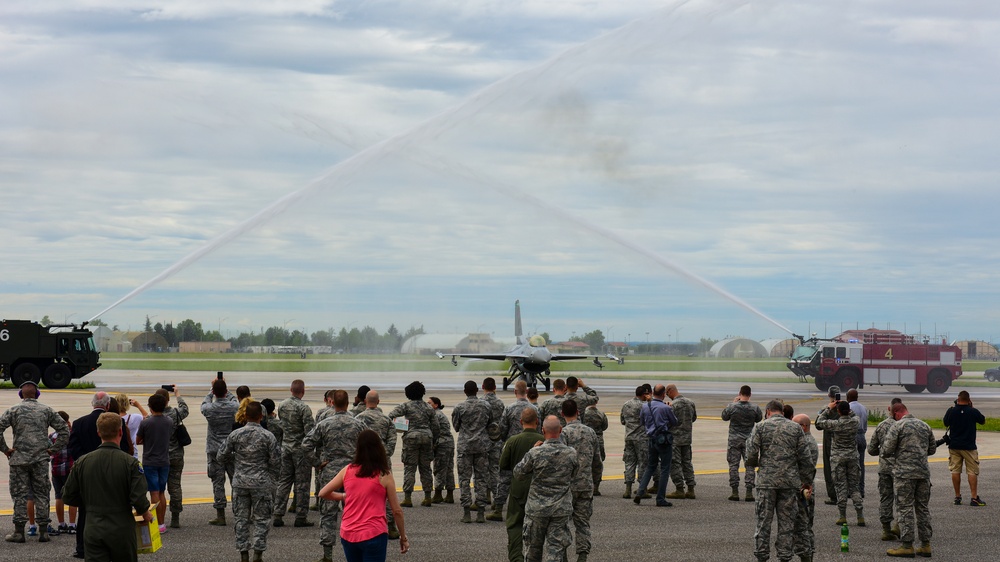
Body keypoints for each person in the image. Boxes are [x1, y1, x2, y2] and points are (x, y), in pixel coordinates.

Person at [62, 412, 152, 562]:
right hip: (121, 527)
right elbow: (138, 497)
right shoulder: (130, 463)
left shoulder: (82, 462)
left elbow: (68, 495)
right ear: (120, 432)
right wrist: (145, 512)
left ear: (99, 433)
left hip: (93, 526)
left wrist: (89, 501)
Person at [320, 429, 409, 561]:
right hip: (373, 533)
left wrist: (344, 496)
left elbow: (323, 493)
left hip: (349, 533)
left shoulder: (348, 470)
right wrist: (403, 537)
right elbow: (396, 511)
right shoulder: (384, 474)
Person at [0, 380, 70, 543]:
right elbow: (64, 431)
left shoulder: (13, 410)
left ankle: (19, 532)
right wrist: (53, 449)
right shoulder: (46, 410)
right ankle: (44, 531)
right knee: (42, 494)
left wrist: (5, 449)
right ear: (37, 394)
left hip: (19, 461)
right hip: (40, 460)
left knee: (19, 495)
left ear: (21, 394)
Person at [745, 399, 814, 562]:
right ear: (782, 412)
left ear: (768, 411)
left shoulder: (760, 427)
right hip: (789, 483)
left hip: (766, 483)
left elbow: (750, 455)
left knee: (763, 524)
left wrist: (756, 464)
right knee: (786, 526)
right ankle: (784, 557)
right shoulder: (795, 428)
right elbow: (806, 459)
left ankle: (762, 557)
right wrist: (806, 482)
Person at [304, 389, 366, 562]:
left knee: (328, 514)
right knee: (355, 513)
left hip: (331, 472)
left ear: (332, 403)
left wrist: (317, 462)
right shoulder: (358, 423)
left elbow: (306, 444)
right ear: (347, 404)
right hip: (353, 472)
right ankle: (356, 550)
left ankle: (327, 555)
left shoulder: (324, 423)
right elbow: (369, 444)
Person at [68, 391, 130, 558]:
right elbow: (124, 449)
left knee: (85, 511)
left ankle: (82, 548)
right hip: (113, 471)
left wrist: (88, 462)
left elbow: (73, 449)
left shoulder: (79, 423)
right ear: (108, 405)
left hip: (87, 473)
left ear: (92, 403)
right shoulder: (118, 422)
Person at [217, 401, 281, 562]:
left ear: (245, 416)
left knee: (241, 520)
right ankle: (258, 554)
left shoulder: (236, 434)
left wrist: (238, 460)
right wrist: (271, 480)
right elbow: (276, 462)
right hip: (261, 482)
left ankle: (243, 554)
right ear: (261, 416)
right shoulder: (268, 436)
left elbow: (221, 456)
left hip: (240, 482)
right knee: (261, 520)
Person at [513, 415, 579, 562]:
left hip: (537, 509)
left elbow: (518, 474)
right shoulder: (571, 453)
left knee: (532, 551)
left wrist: (531, 451)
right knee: (555, 551)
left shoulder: (535, 453)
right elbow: (574, 475)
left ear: (543, 430)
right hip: (560, 509)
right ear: (561, 430)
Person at [881, 402, 937, 558]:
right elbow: (932, 449)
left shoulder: (898, 427)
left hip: (904, 474)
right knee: (922, 508)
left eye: (893, 415)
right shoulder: (925, 426)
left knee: (905, 508)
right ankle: (925, 545)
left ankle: (907, 545)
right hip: (923, 474)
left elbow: (886, 450)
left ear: (897, 413)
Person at [560, 399, 601, 562]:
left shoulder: (563, 433)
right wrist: (595, 481)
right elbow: (597, 461)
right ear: (578, 412)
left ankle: (562, 555)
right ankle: (582, 555)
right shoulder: (590, 432)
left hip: (567, 486)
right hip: (585, 484)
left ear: (562, 414)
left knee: (562, 522)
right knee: (582, 523)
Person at [499, 407, 542, 562]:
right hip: (538, 489)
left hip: (518, 488)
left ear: (520, 422)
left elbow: (503, 464)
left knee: (515, 524)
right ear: (537, 421)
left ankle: (516, 557)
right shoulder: (543, 440)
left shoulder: (512, 441)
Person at [387, 381, 439, 509]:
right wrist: (433, 439)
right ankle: (427, 497)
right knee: (426, 468)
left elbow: (390, 416)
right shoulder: (429, 408)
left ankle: (408, 498)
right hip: (427, 437)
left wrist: (403, 426)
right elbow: (436, 426)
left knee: (410, 468)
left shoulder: (406, 406)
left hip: (411, 438)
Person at [357, 390, 401, 538]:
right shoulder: (386, 420)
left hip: (363, 461)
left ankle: (364, 524)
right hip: (382, 461)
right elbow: (392, 441)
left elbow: (354, 442)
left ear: (365, 401)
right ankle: (391, 526)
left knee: (363, 492)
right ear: (379, 402)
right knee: (387, 493)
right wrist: (383, 455)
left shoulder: (358, 419)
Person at [273, 379, 315, 528]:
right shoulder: (304, 408)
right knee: (302, 484)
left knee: (284, 481)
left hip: (286, 448)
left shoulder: (282, 405)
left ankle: (278, 514)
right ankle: (301, 517)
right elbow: (310, 432)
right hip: (300, 450)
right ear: (302, 392)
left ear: (291, 390)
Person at [816, 400, 864, 526]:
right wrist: (846, 408)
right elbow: (854, 416)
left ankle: (842, 516)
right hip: (852, 457)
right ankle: (860, 515)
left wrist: (828, 408)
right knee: (854, 487)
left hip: (838, 459)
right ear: (848, 410)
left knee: (840, 486)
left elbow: (819, 422)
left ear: (838, 411)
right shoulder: (855, 422)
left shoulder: (835, 424)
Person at [452, 380, 493, 523]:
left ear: (465, 391)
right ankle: (481, 512)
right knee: (481, 479)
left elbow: (456, 427)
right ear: (477, 390)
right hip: (482, 446)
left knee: (464, 479)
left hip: (465, 447)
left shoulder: (459, 407)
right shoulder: (486, 406)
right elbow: (490, 424)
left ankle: (466, 512)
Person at [493, 380, 534, 518]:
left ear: (515, 391)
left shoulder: (509, 408)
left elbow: (502, 430)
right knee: (529, 477)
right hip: (530, 446)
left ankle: (498, 509)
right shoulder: (535, 409)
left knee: (505, 477)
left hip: (512, 446)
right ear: (526, 392)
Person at [202, 376, 239, 526]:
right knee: (235, 481)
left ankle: (220, 515)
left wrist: (211, 390)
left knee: (217, 482)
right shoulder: (233, 407)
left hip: (214, 449)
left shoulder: (209, 408)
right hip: (230, 448)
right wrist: (226, 389)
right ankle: (239, 512)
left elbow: (205, 403)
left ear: (215, 393)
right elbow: (235, 401)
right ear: (225, 391)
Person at [634, 384, 678, 507]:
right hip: (663, 440)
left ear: (653, 392)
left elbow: (642, 422)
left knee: (650, 467)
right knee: (664, 469)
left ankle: (640, 492)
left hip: (651, 439)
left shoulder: (645, 406)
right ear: (664, 394)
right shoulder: (666, 408)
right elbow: (675, 422)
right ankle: (660, 498)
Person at [136, 391, 174, 534]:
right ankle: (162, 523)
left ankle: (155, 522)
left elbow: (138, 440)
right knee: (162, 491)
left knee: (154, 492)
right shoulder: (169, 421)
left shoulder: (146, 423)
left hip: (150, 460)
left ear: (150, 407)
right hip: (164, 460)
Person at [868, 397, 903, 541]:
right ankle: (899, 525)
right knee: (902, 498)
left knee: (885, 497)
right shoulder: (904, 425)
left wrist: (882, 453)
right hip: (900, 468)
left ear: (889, 409)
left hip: (884, 467)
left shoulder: (881, 426)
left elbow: (871, 449)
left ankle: (886, 530)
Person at [943, 390, 986, 506]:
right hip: (969, 447)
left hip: (954, 446)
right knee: (972, 471)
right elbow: (982, 420)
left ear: (958, 399)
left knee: (955, 470)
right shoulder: (973, 412)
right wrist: (971, 407)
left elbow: (945, 423)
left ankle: (957, 497)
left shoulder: (951, 411)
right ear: (969, 400)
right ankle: (973, 497)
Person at [721, 385, 762, 502]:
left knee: (733, 465)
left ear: (740, 393)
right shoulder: (755, 408)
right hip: (749, 440)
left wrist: (733, 402)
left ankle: (734, 491)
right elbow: (759, 419)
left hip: (734, 440)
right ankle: (749, 492)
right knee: (750, 465)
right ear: (750, 394)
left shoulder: (732, 406)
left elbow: (724, 417)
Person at [156, 385, 189, 529]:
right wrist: (178, 394)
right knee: (175, 487)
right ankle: (175, 516)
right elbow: (185, 409)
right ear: (168, 400)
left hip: (160, 456)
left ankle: (160, 517)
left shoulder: (154, 417)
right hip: (176, 454)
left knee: (158, 489)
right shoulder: (176, 413)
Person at [791, 414, 818, 562]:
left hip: (804, 490)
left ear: (804, 427)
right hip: (804, 488)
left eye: (796, 425)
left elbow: (805, 468)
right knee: (805, 527)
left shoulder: (806, 443)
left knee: (805, 527)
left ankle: (808, 555)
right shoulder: (804, 440)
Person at [665, 384, 697, 500]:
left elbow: (668, 422)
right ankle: (691, 489)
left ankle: (679, 489)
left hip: (675, 439)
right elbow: (693, 418)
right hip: (687, 438)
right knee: (687, 463)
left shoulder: (672, 405)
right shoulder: (690, 402)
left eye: (667, 393)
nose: (667, 396)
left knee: (675, 464)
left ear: (670, 391)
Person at [49, 411, 77, 535]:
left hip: (55, 469)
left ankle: (61, 524)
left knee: (58, 496)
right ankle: (72, 524)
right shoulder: (71, 435)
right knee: (72, 495)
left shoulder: (51, 436)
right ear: (67, 421)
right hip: (69, 468)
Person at [620, 385, 649, 499]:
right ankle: (643, 489)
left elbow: (623, 421)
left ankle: (628, 489)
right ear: (643, 395)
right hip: (641, 438)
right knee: (643, 463)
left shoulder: (626, 404)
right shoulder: (645, 406)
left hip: (629, 437)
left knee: (629, 462)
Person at [481, 376, 505, 513]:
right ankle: (497, 499)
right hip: (496, 440)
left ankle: (485, 496)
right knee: (495, 470)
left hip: (483, 440)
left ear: (483, 387)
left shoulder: (481, 402)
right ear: (495, 388)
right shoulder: (500, 403)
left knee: (482, 469)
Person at [426, 396, 455, 507]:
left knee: (439, 468)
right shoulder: (439, 414)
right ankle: (449, 494)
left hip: (442, 444)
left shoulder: (435, 415)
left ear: (436, 405)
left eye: (429, 403)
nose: (427, 405)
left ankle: (438, 494)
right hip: (448, 443)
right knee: (448, 469)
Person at [817, 385, 841, 505]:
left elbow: (818, 424)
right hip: (841, 443)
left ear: (829, 395)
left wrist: (827, 409)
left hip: (829, 441)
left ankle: (833, 495)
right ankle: (843, 493)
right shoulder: (845, 408)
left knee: (828, 469)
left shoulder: (826, 409)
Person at [582, 397, 609, 495]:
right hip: (598, 440)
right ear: (596, 402)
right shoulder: (601, 414)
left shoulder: (583, 414)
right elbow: (605, 426)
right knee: (598, 464)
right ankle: (596, 487)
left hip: (585, 440)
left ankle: (585, 485)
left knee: (585, 463)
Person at [846, 389, 868, 498]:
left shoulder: (848, 407)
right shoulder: (863, 408)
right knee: (861, 464)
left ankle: (851, 491)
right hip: (862, 436)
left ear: (848, 397)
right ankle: (861, 490)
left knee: (851, 465)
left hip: (852, 436)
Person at [116, 393, 149, 460]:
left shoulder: (113, 419)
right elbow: (149, 418)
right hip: (132, 451)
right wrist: (138, 405)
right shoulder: (135, 417)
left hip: (118, 451)